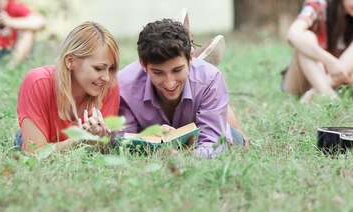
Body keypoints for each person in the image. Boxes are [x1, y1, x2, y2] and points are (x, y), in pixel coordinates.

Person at [118, 19, 246, 158]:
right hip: (160, 138)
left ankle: (221, 111)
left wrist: (183, 157)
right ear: (143, 64)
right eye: (158, 72)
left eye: (177, 70)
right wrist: (147, 137)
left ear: (190, 58)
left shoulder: (210, 79)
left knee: (233, 139)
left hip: (204, 126)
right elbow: (123, 144)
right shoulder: (124, 86)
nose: (169, 83)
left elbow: (213, 144)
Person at [15, 21, 120, 152]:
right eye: (99, 68)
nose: (106, 77)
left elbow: (101, 149)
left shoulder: (109, 86)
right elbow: (34, 153)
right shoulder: (38, 81)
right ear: (70, 61)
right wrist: (79, 140)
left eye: (111, 69)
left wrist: (100, 140)